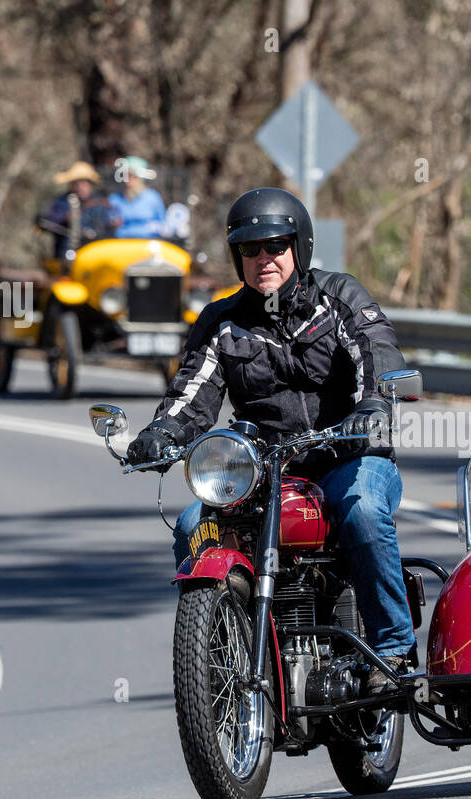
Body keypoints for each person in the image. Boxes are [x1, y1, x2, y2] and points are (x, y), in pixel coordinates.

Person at [126, 187, 414, 692]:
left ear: (298, 247)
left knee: (364, 510)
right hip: (264, 470)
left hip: (347, 456)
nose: (264, 259)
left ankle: (392, 649)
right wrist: (161, 431)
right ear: (237, 257)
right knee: (194, 522)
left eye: (275, 247)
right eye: (251, 250)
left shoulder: (339, 300)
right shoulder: (221, 322)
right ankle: (214, 655)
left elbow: (378, 356)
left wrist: (373, 406)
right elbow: (191, 394)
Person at [36, 161, 118, 258]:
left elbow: (107, 227)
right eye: (76, 183)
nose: (80, 187)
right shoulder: (62, 201)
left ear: (90, 184)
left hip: (96, 253)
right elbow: (48, 221)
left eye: (83, 183)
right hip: (67, 254)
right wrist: (66, 218)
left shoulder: (100, 202)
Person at [109, 156, 167, 238]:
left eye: (132, 176)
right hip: (121, 245)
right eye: (125, 176)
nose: (128, 181)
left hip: (147, 245)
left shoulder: (152, 198)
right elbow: (108, 222)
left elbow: (163, 223)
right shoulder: (114, 199)